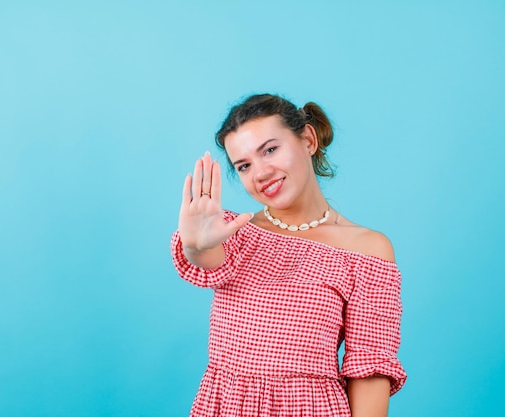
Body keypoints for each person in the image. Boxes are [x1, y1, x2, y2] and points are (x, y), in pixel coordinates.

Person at [170, 93, 406, 417]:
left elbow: (370, 370)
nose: (261, 173)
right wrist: (195, 246)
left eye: (270, 150)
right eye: (244, 165)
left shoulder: (367, 250)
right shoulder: (233, 232)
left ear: (308, 140)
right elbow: (207, 256)